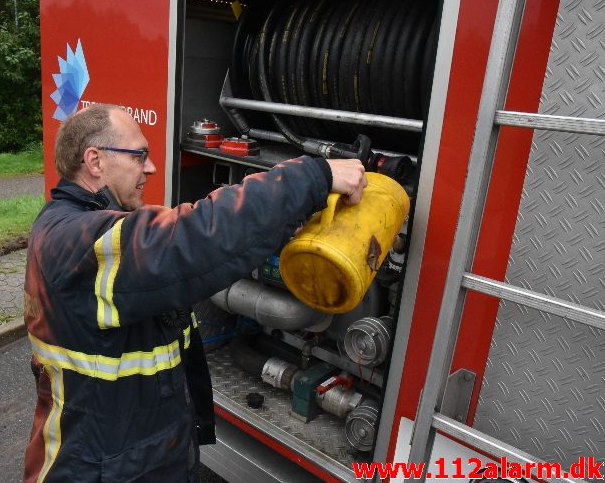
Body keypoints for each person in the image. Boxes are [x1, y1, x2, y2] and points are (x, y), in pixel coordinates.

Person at [22, 103, 367, 482]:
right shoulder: (70, 240)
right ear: (95, 160)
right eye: (140, 156)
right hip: (100, 470)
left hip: (134, 455)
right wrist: (313, 177)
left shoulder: (81, 229)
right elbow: (188, 239)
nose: (150, 168)